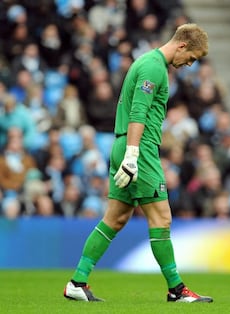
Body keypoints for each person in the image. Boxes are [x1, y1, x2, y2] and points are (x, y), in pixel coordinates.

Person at [63, 23, 212, 303]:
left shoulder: (146, 63)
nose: (189, 64)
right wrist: (133, 155)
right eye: (191, 57)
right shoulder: (154, 67)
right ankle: (176, 290)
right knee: (161, 218)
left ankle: (77, 282)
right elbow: (139, 110)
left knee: (116, 218)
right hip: (138, 149)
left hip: (124, 144)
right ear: (181, 45)